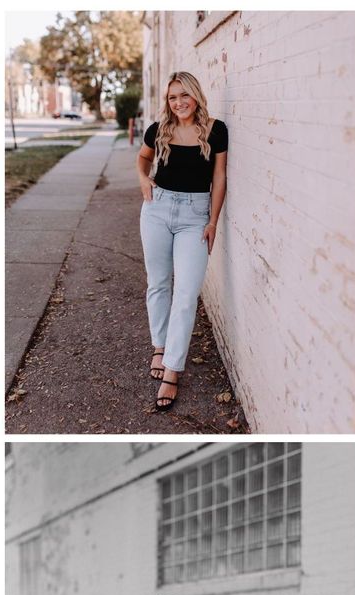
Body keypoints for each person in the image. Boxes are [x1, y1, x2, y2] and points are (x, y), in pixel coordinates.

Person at [137, 72, 228, 412]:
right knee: (158, 284)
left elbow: (219, 177)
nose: (179, 103)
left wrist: (213, 221)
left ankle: (172, 370)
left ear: (196, 95)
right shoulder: (159, 129)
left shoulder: (216, 130)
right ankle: (160, 347)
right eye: (173, 97)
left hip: (195, 216)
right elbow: (143, 158)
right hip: (157, 210)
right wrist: (144, 181)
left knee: (187, 293)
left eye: (184, 95)